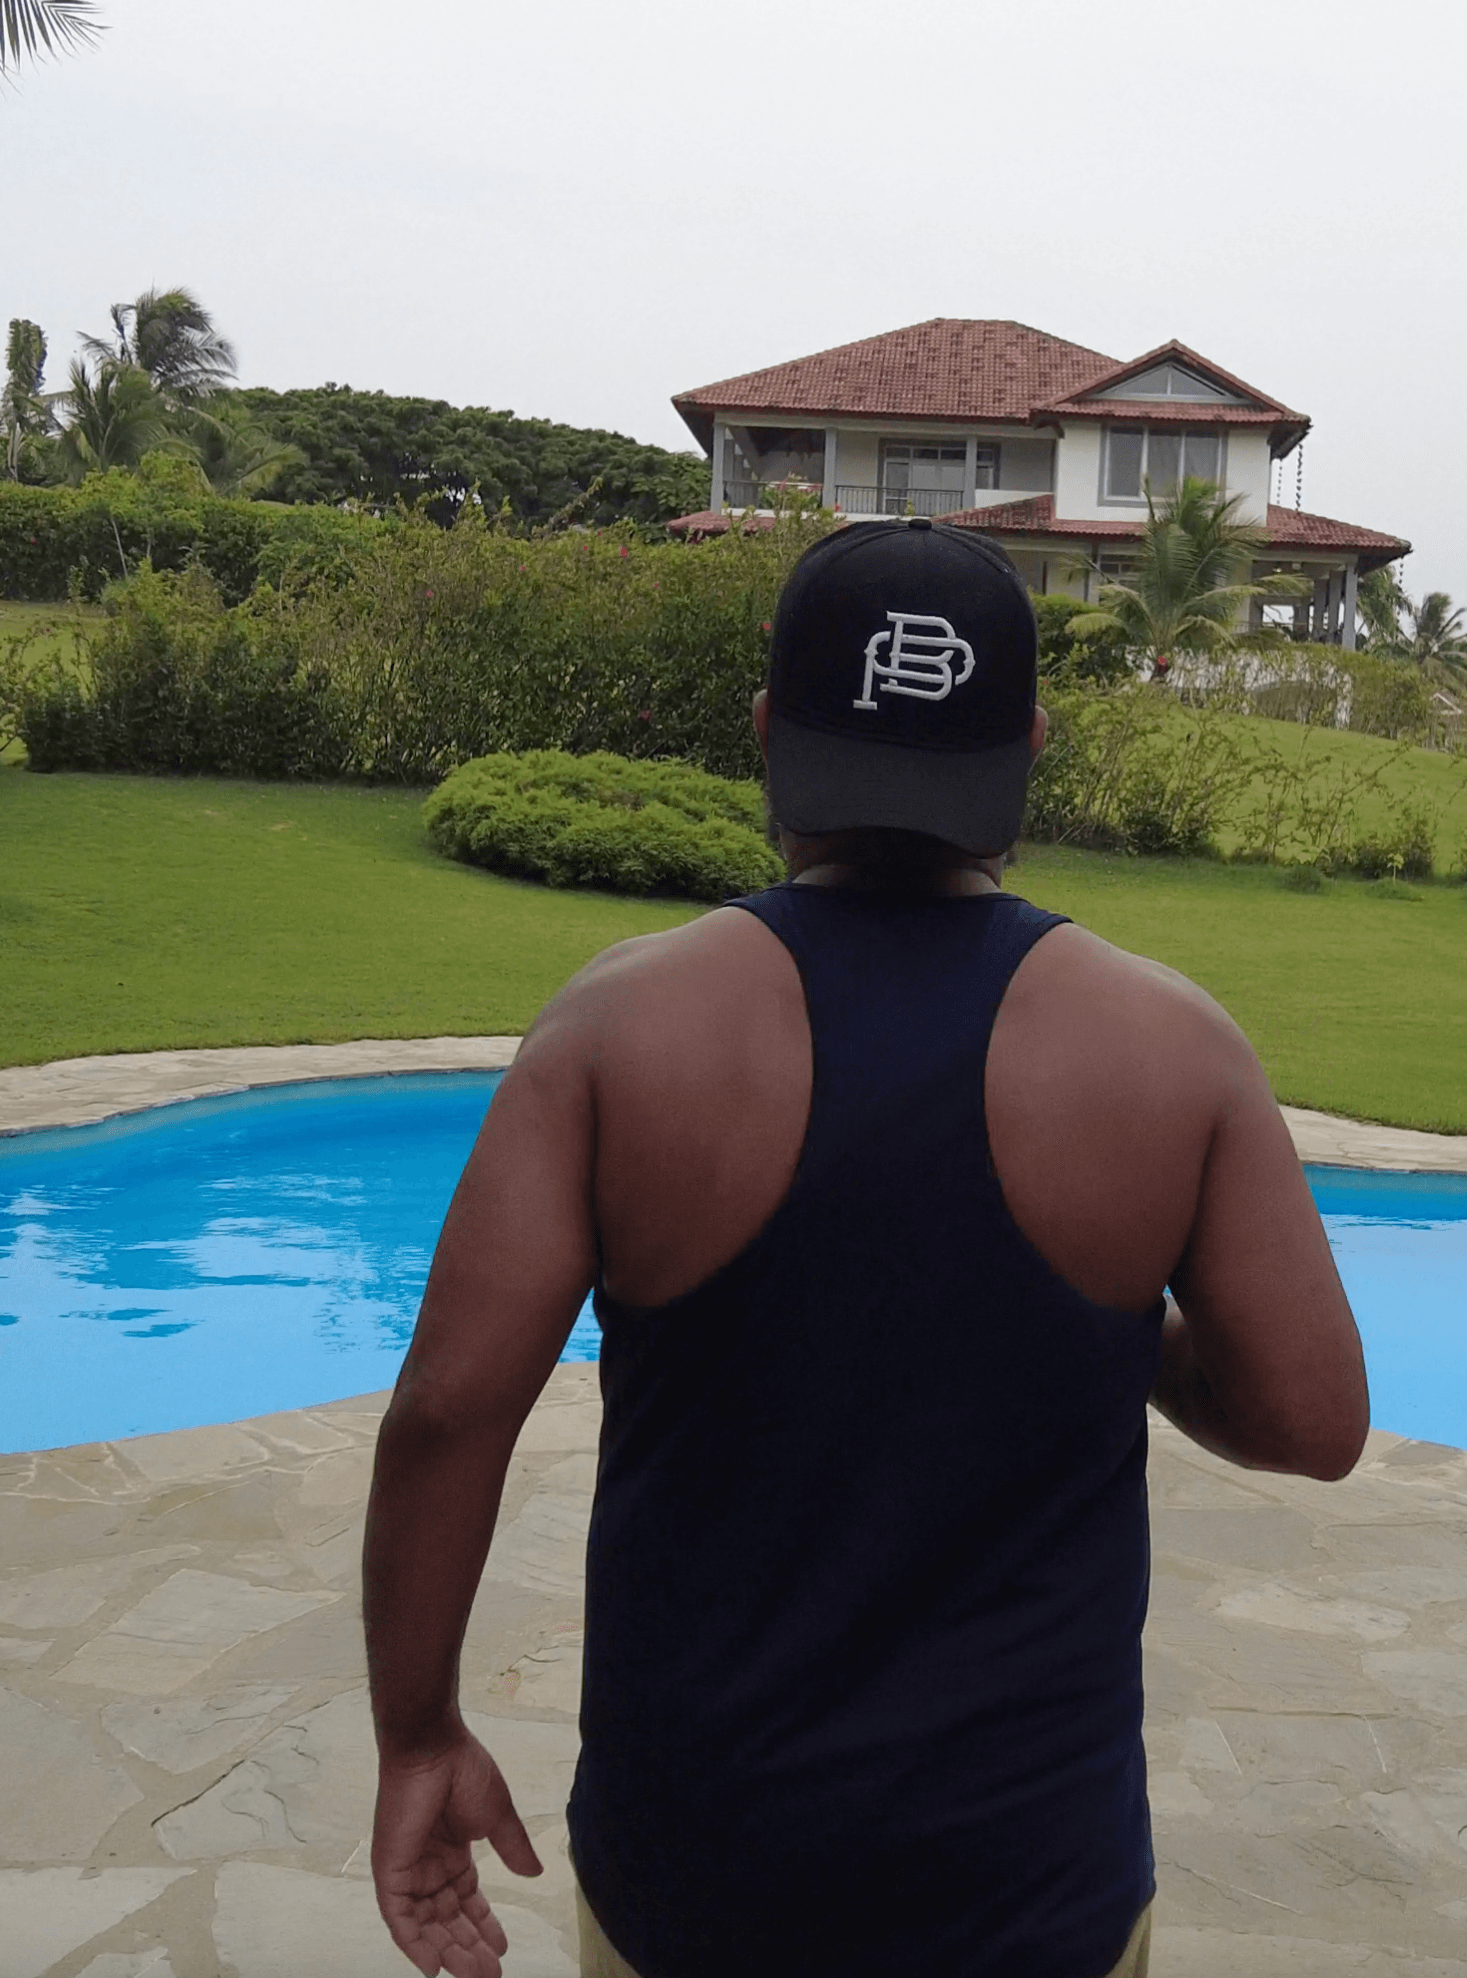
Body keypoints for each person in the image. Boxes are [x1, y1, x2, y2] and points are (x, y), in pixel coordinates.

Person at [364, 518, 1370, 1978]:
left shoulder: (616, 1027)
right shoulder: (1172, 1046)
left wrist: (417, 1738)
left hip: (699, 1871)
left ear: (770, 734)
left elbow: (448, 1409)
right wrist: (1099, 1315)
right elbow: (1309, 1421)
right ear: (1026, 747)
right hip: (1031, 1881)